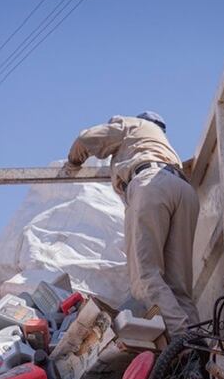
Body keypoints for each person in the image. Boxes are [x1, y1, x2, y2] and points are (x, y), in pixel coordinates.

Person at [66, 112, 199, 334]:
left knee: (144, 278)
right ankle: (203, 349)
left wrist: (72, 163)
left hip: (151, 185)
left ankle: (185, 342)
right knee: (179, 289)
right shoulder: (163, 146)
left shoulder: (130, 125)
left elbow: (86, 138)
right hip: (184, 190)